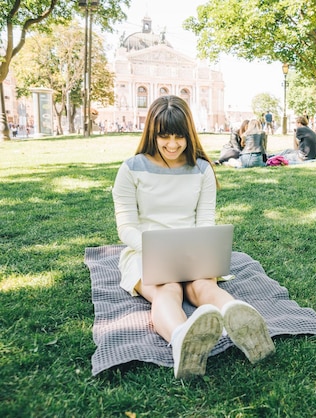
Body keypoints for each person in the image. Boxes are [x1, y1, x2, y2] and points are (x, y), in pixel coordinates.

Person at [111, 96, 274, 379]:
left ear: (189, 134)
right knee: (167, 289)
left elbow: (205, 221)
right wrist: (154, 250)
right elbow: (126, 227)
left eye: (179, 136)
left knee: (203, 287)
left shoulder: (202, 169)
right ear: (152, 132)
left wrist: (199, 254)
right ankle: (181, 338)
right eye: (164, 136)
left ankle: (242, 318)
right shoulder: (131, 169)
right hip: (146, 251)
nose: (172, 144)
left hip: (192, 249)